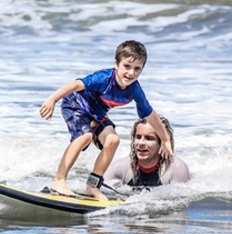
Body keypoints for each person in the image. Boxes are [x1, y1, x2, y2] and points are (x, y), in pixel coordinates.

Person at [40, 40, 173, 200]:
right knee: (85, 136)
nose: (131, 73)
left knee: (112, 140)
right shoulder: (103, 78)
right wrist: (52, 100)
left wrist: (165, 140)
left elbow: (150, 115)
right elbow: (75, 84)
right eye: (127, 66)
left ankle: (92, 185)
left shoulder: (134, 90)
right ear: (117, 64)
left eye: (137, 69)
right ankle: (59, 180)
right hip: (75, 104)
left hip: (97, 113)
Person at [104, 117, 190, 187]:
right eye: (138, 137)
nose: (141, 143)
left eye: (149, 138)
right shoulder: (121, 167)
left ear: (162, 143)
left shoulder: (176, 169)